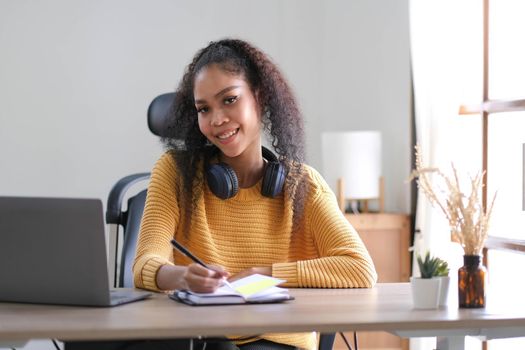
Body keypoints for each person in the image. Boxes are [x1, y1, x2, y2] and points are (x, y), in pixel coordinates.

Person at [133, 38, 377, 350]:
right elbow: (144, 265)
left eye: (229, 100)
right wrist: (181, 277)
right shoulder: (174, 173)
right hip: (205, 341)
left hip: (278, 342)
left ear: (258, 97)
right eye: (203, 109)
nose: (217, 119)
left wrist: (261, 274)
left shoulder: (302, 185)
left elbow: (359, 268)